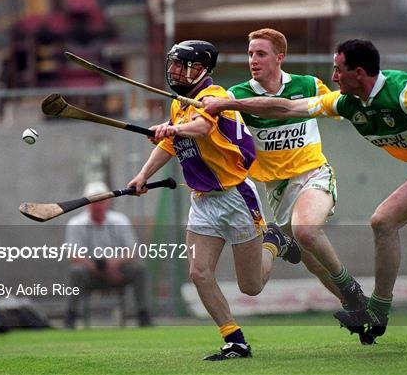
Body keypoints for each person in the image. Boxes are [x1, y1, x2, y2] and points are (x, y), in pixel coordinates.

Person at [203, 38, 407, 344]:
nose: (332, 78)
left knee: (384, 221)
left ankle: (378, 311)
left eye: (338, 70)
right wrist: (226, 103)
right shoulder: (346, 102)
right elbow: (287, 107)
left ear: (358, 73)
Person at [127, 40, 301, 360]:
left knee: (251, 286)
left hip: (236, 198)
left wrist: (173, 130)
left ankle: (274, 241)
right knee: (199, 272)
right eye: (174, 64)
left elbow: (203, 127)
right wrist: (142, 176)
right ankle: (234, 340)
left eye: (184, 65)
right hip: (203, 202)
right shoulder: (178, 104)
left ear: (203, 69)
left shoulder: (215, 97)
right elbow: (168, 146)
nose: (176, 71)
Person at [226, 28, 367, 314]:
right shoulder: (237, 95)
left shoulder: (308, 85)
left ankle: (351, 287)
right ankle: (355, 307)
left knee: (305, 230)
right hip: (278, 190)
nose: (253, 59)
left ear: (280, 58)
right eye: (251, 54)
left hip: (314, 174)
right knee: (313, 261)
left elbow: (341, 107)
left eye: (261, 54)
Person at [64, 181, 153, 328]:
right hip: (90, 273)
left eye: (101, 200)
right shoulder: (75, 224)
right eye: (93, 201)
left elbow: (132, 250)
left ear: (108, 201)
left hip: (118, 270)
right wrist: (101, 270)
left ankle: (144, 315)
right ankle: (70, 317)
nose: (98, 205)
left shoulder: (120, 220)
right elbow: (74, 255)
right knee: (75, 271)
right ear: (86, 203)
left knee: (139, 269)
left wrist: (114, 264)